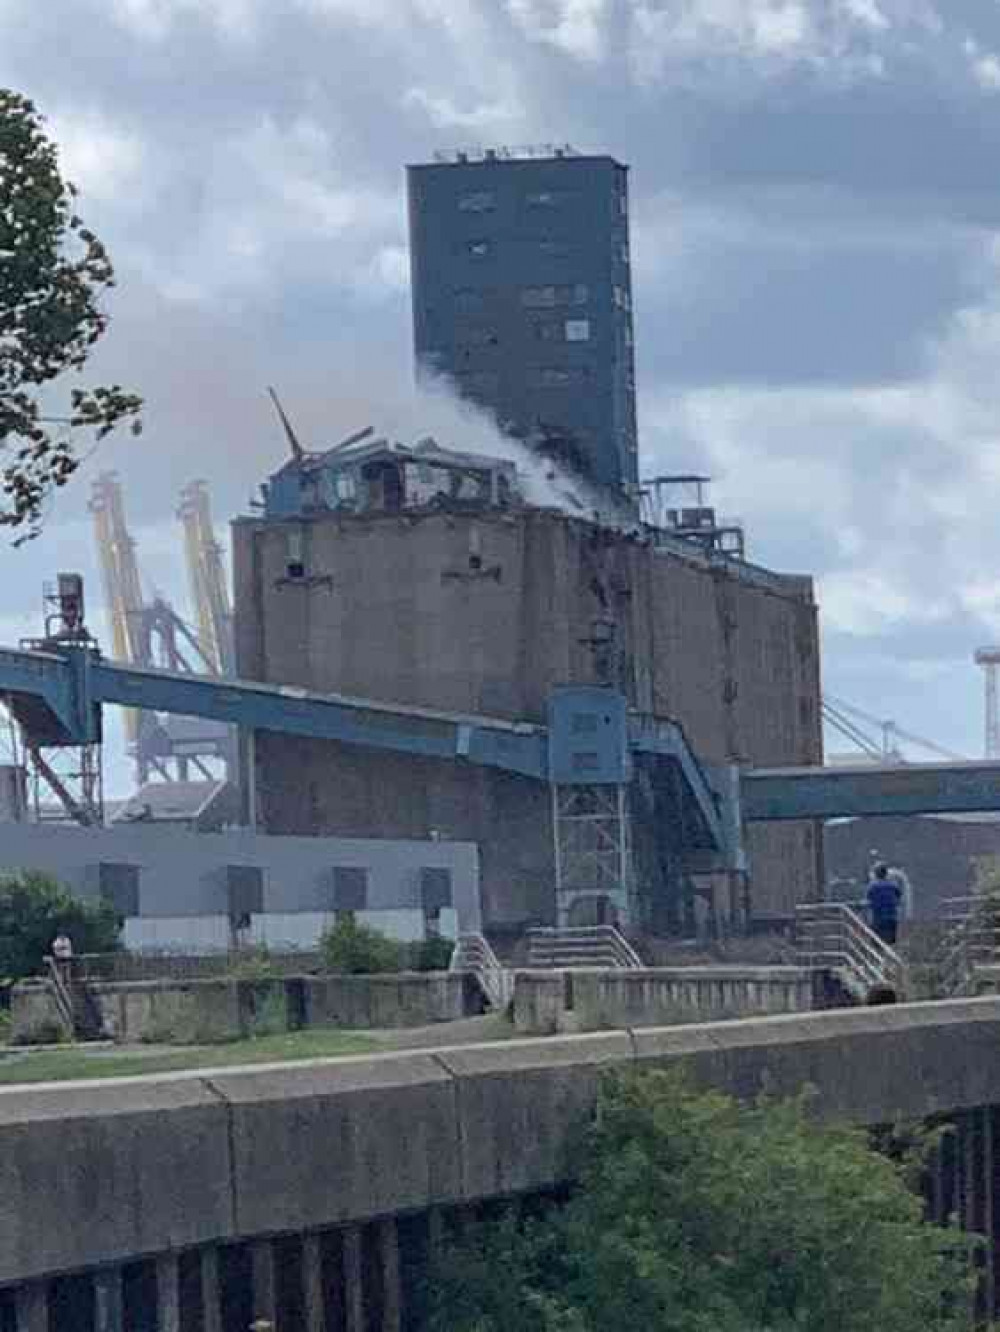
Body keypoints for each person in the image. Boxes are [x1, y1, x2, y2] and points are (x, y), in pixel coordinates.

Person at [866, 864, 902, 946]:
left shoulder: (873, 886)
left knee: (876, 943)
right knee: (890, 943)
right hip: (892, 918)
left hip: (878, 919)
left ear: (876, 874)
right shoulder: (893, 885)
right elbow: (899, 895)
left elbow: (869, 898)